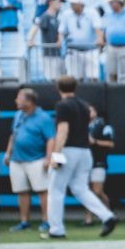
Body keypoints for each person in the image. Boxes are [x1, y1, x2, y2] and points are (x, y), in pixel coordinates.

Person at [43, 76, 117, 238]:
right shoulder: (84, 106)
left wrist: (56, 154)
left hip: (68, 150)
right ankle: (107, 216)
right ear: (75, 87)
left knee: (55, 190)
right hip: (85, 152)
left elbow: (63, 130)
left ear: (58, 87)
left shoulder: (62, 105)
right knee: (80, 189)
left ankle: (56, 229)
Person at [3, 88, 54, 232]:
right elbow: (13, 135)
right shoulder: (18, 115)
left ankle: (47, 221)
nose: (16, 101)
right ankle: (24, 222)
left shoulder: (44, 118)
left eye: (19, 98)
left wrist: (48, 158)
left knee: (42, 191)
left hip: (36, 159)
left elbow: (51, 138)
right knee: (21, 191)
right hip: (16, 160)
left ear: (28, 101)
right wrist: (8, 153)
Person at [59, 0, 100, 81]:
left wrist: (100, 39)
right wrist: (60, 41)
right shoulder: (67, 14)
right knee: (74, 78)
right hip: (73, 50)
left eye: (74, 3)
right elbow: (61, 30)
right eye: (71, 3)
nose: (71, 5)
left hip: (90, 50)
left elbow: (97, 28)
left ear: (81, 4)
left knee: (93, 77)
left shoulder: (92, 13)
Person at [84, 103, 114, 226]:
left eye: (91, 110)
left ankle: (109, 214)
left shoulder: (104, 126)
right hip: (84, 162)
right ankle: (88, 218)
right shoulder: (81, 125)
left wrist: (95, 142)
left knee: (97, 191)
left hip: (98, 162)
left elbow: (111, 144)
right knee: (86, 191)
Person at [27, 0, 64, 80]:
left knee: (59, 79)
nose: (60, 4)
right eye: (58, 2)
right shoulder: (45, 16)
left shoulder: (56, 17)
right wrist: (31, 40)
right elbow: (35, 27)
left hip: (57, 53)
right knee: (52, 78)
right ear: (51, 3)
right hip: (49, 54)